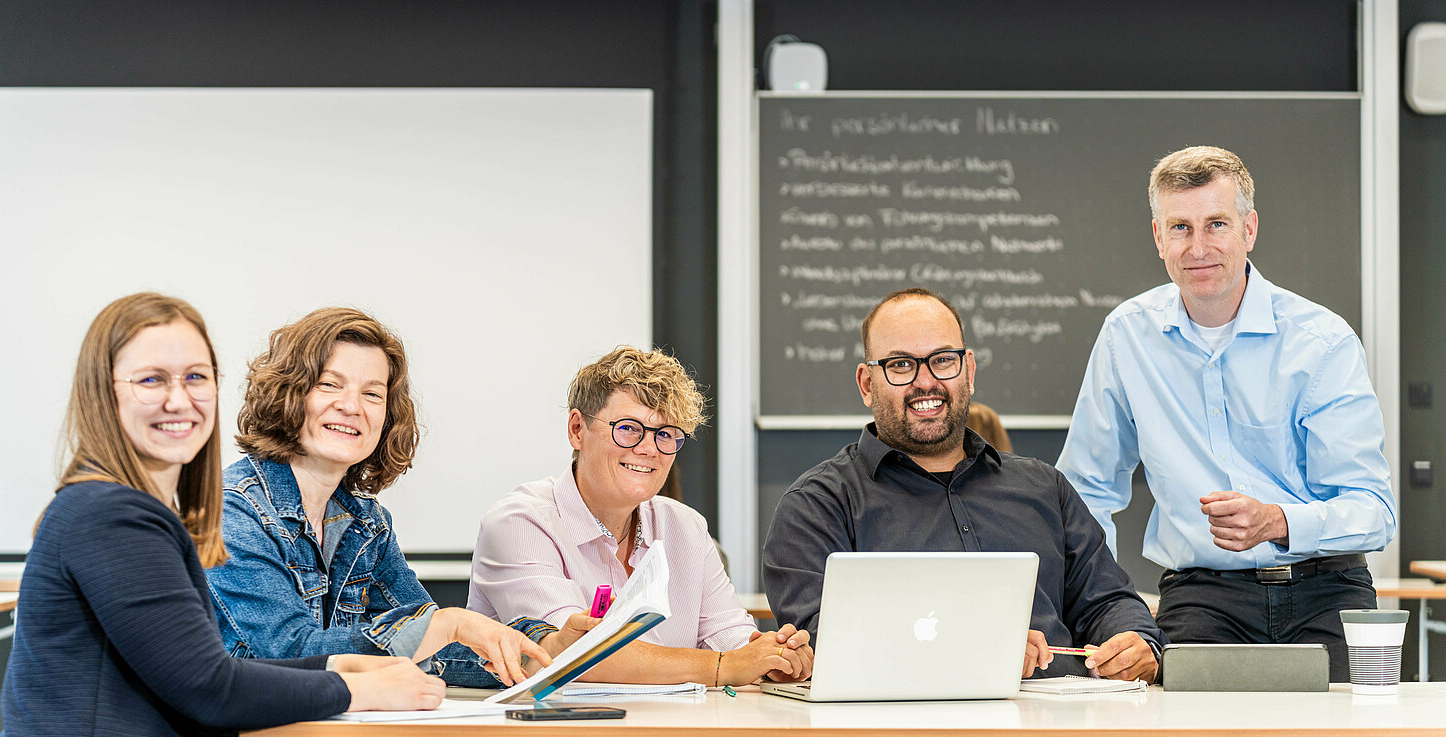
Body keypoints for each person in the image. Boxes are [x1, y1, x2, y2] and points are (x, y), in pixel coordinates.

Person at [1, 293, 446, 736]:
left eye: (196, 377)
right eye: (151, 380)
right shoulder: (113, 515)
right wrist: (352, 688)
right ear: (103, 392)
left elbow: (206, 669)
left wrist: (332, 664)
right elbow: (210, 688)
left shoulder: (130, 509)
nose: (179, 400)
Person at [1056, 146, 1396, 680]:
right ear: (1158, 238)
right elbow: (1086, 491)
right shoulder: (1127, 337)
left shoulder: (1323, 342)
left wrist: (1279, 521)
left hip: (1327, 591)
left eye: (1216, 223)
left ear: (1249, 229)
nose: (1198, 247)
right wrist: (1107, 610)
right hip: (1202, 596)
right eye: (1180, 228)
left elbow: (1374, 512)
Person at [763, 288, 1164, 682]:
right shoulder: (816, 506)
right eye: (901, 365)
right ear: (867, 384)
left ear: (968, 371)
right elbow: (817, 644)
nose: (925, 382)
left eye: (942, 360)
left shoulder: (1044, 488)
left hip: (1059, 718)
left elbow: (1108, 599)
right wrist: (980, 647)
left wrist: (1136, 642)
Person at [205, 308, 577, 688]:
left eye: (372, 394)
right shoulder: (231, 509)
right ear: (289, 393)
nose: (352, 406)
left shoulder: (368, 522)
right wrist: (445, 624)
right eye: (330, 385)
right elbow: (287, 653)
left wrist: (545, 648)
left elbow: (435, 644)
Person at [470, 346, 814, 686]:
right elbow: (576, 658)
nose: (649, 448)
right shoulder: (519, 524)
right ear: (577, 430)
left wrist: (773, 656)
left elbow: (730, 635)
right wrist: (723, 666)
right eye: (629, 428)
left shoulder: (686, 527)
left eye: (665, 434)